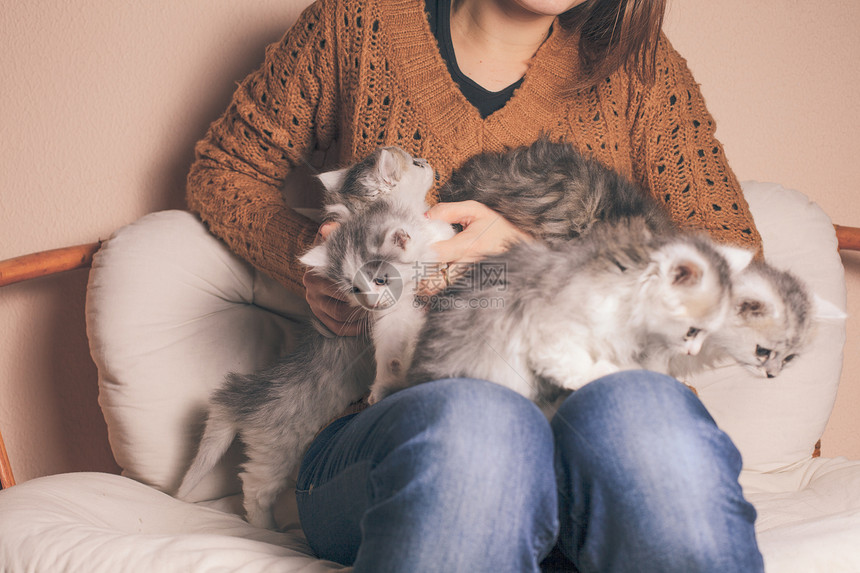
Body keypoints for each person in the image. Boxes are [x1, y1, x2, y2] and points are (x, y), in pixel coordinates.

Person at [186, 0, 765, 570]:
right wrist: (320, 265)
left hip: (588, 424)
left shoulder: (642, 70)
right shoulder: (357, 23)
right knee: (477, 424)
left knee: (646, 418)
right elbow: (224, 172)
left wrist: (535, 258)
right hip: (393, 431)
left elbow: (736, 259)